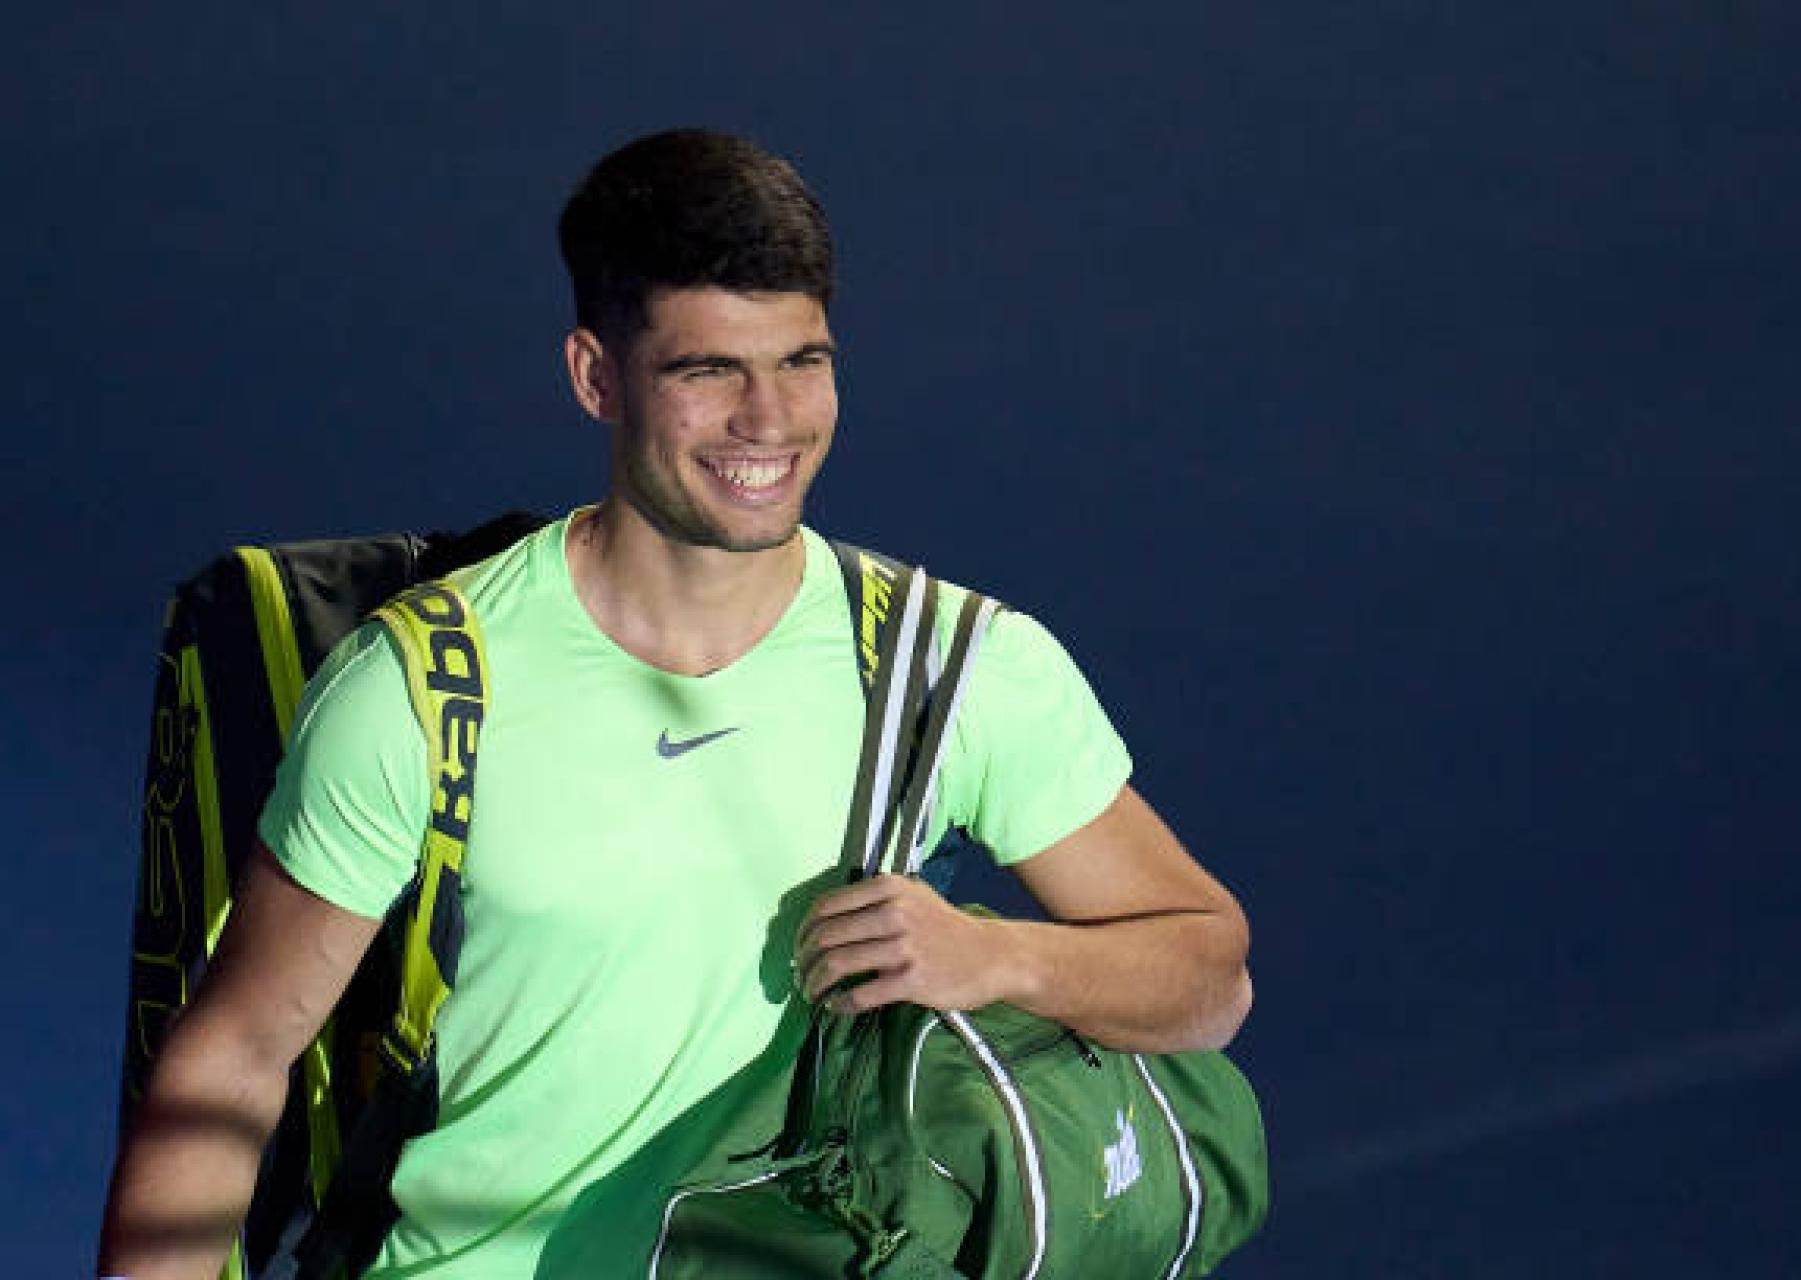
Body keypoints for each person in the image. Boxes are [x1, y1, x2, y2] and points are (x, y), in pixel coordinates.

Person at [98, 127, 1252, 1279]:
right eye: (709, 372)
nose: (770, 419)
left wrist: (1000, 958)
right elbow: (233, 1064)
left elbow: (1209, 973)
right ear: (596, 375)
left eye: (804, 361)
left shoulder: (947, 667)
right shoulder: (423, 688)